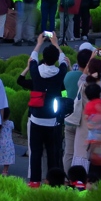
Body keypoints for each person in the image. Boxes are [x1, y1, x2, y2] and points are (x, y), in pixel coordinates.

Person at [27, 34, 69, 186]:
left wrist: (38, 43)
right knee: (53, 152)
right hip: (53, 121)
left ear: (43, 58)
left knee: (36, 152)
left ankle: (34, 182)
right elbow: (64, 61)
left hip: (36, 118)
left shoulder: (35, 72)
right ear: (56, 59)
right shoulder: (60, 73)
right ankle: (53, 182)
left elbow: (32, 59)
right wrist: (56, 43)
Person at [0, 108, 15, 176]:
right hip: (8, 142)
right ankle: (5, 170)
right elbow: (12, 129)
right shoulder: (11, 123)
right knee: (7, 156)